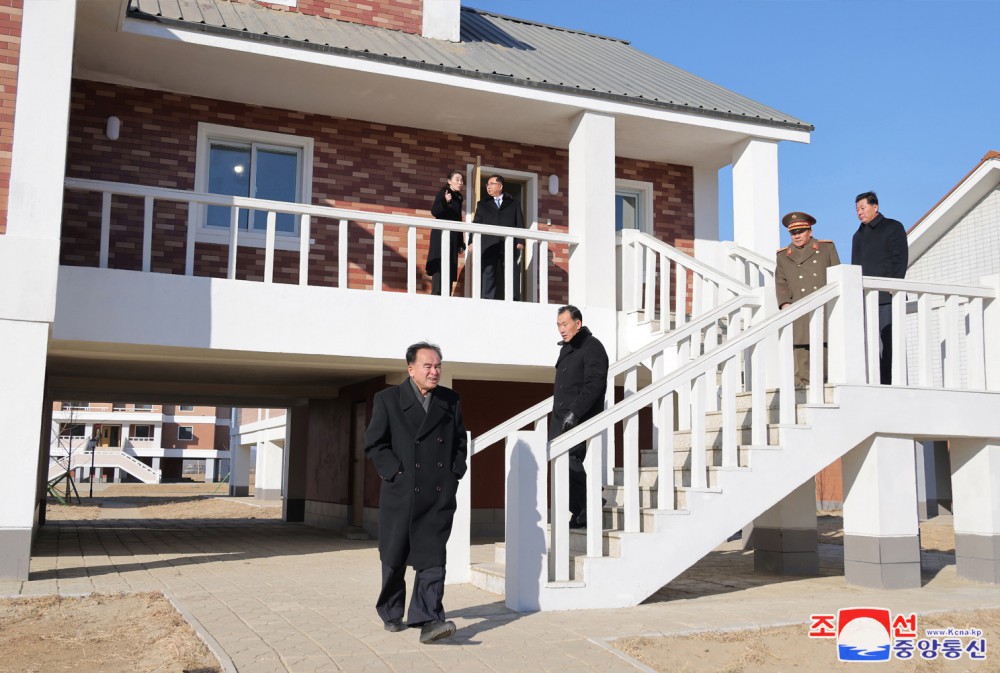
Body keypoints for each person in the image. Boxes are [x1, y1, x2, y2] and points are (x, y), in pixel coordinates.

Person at [364, 342, 467, 644]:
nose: (435, 372)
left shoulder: (450, 400)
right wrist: (395, 473)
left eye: (438, 366)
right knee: (394, 556)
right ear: (411, 369)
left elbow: (459, 441)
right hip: (401, 493)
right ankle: (391, 611)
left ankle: (429, 620)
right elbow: (375, 444)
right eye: (428, 366)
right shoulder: (387, 400)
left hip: (437, 494)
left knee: (433, 557)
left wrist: (454, 473)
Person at [549, 305, 609, 529]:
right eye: (558, 325)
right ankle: (580, 509)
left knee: (570, 461)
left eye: (565, 324)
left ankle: (591, 501)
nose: (561, 329)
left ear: (578, 323)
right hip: (560, 418)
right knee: (560, 466)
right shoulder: (567, 348)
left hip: (579, 417)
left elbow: (595, 384)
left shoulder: (592, 346)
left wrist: (575, 411)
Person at [774, 211, 840, 387]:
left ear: (810, 231)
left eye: (800, 232)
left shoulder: (826, 248)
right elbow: (781, 281)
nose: (796, 236)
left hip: (823, 306)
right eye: (793, 233)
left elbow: (837, 274)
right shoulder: (783, 255)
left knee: (823, 348)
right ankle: (801, 388)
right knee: (801, 348)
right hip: (798, 307)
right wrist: (785, 303)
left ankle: (824, 384)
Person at [851, 192, 908, 383]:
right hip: (865, 300)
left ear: (875, 207)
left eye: (863, 208)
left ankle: (890, 383)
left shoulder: (893, 227)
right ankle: (872, 383)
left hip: (888, 298)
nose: (859, 212)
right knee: (868, 345)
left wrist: (894, 286)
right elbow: (855, 268)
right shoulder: (857, 236)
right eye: (857, 209)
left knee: (890, 343)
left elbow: (900, 259)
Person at [471, 174, 524, 300]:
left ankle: (514, 299)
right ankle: (487, 299)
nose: (488, 187)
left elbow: (519, 223)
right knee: (489, 272)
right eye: (487, 184)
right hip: (489, 243)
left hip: (508, 244)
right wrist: (471, 241)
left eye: (491, 184)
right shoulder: (483, 204)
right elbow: (476, 224)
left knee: (511, 271)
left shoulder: (513, 203)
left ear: (500, 186)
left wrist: (520, 240)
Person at [427, 170, 466, 296]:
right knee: (440, 264)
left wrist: (460, 242)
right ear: (449, 181)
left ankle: (446, 295)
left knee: (450, 265)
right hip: (441, 235)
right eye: (457, 180)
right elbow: (435, 211)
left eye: (461, 180)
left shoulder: (458, 197)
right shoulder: (444, 192)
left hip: (453, 237)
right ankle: (436, 294)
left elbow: (458, 220)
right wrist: (445, 202)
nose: (460, 183)